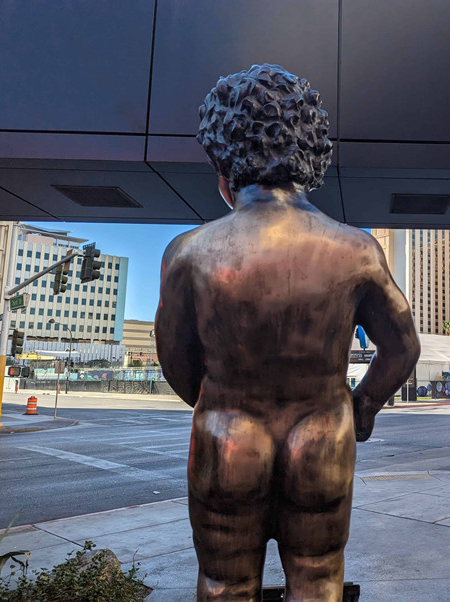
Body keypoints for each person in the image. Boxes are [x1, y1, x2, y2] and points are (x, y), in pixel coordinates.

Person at [155, 64, 420, 602]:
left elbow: (176, 363)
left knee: (223, 583)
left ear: (223, 163)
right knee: (320, 576)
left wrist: (216, 405)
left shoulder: (188, 253)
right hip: (324, 436)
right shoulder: (358, 250)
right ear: (311, 155)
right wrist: (361, 406)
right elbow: (402, 348)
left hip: (226, 436)